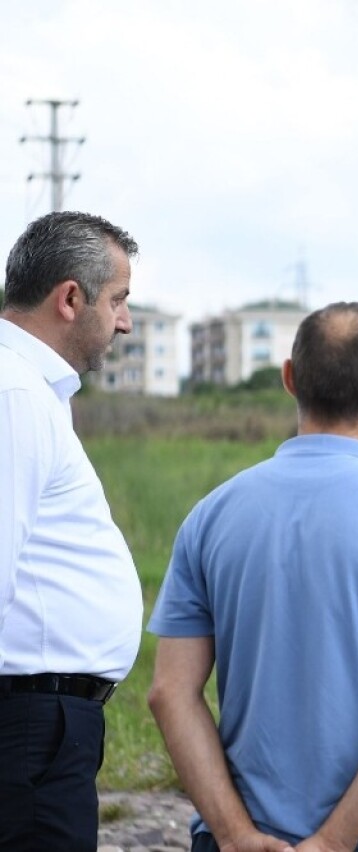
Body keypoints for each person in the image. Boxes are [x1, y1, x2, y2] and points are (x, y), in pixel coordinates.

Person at [147, 302, 358, 851]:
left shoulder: (211, 514)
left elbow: (170, 693)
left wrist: (233, 834)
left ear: (289, 379)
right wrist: (330, 842)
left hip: (245, 837)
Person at [0, 212, 142, 851]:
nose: (124, 321)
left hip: (41, 720)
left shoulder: (31, 391)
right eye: (118, 300)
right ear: (70, 298)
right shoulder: (17, 396)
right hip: (31, 722)